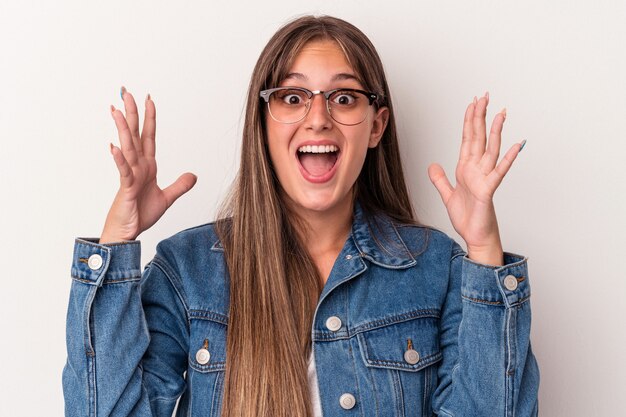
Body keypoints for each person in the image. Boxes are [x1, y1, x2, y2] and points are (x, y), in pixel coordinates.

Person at [63, 14, 539, 417]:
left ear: (376, 127)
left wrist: (484, 251)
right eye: (292, 98)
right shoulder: (188, 270)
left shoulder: (438, 267)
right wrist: (117, 238)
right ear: (263, 122)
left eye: (344, 97)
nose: (318, 118)